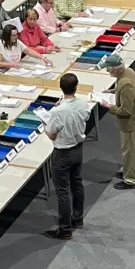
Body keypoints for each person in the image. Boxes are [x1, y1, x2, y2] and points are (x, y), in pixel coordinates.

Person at [44, 73, 90, 240]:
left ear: (60, 88)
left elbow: (51, 134)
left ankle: (65, 229)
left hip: (63, 153)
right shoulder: (83, 104)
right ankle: (77, 218)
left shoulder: (58, 112)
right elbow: (86, 116)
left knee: (63, 191)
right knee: (77, 184)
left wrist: (45, 124)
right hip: (78, 149)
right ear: (76, 87)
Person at [98, 55, 135, 190]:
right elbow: (123, 90)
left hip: (130, 123)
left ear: (115, 69)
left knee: (129, 151)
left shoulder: (125, 83)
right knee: (130, 150)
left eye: (108, 69)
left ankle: (130, 179)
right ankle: (130, 171)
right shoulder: (128, 72)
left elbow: (125, 111)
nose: (107, 71)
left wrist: (109, 107)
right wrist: (112, 91)